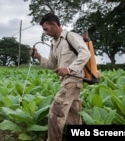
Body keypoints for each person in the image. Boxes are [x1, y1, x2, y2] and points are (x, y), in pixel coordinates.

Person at [30, 13, 91, 141]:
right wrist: (38, 57)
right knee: (73, 117)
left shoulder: (71, 36)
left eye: (46, 29)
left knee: (56, 112)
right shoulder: (54, 43)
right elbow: (52, 64)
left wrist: (69, 69)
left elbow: (85, 53)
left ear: (54, 24)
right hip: (66, 81)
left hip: (73, 80)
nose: (45, 32)